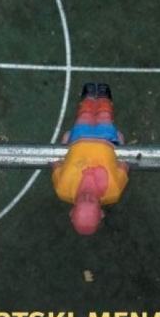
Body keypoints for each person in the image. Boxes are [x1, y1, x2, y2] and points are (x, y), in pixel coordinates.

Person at [52, 83, 128, 235]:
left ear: (71, 211)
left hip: (79, 139)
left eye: (82, 199)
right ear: (101, 212)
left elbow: (57, 162)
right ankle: (104, 99)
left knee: (85, 116)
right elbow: (123, 165)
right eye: (91, 200)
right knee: (105, 116)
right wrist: (122, 144)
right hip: (106, 140)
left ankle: (88, 99)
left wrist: (64, 144)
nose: (87, 194)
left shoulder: (62, 188)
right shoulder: (114, 190)